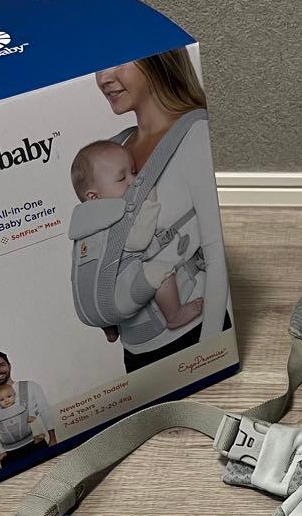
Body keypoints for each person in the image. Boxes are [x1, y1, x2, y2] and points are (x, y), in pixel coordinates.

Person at [93, 49, 232, 373]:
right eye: (98, 66)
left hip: (193, 334)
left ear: (156, 60)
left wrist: (213, 350)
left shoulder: (195, 136)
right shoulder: (112, 150)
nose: (103, 78)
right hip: (135, 349)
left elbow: (216, 252)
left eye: (118, 61)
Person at [69, 139, 205, 332]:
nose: (133, 181)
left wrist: (159, 242)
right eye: (121, 178)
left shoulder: (83, 227)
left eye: (133, 172)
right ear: (94, 196)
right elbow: (139, 242)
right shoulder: (113, 218)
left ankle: (109, 330)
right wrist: (149, 204)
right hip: (117, 301)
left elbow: (122, 256)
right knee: (160, 271)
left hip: (88, 309)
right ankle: (175, 315)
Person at [0, 352, 56, 472]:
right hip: (9, 457)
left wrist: (53, 439)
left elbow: (44, 410)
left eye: (2, 365)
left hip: (37, 445)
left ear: (9, 365)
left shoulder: (31, 387)